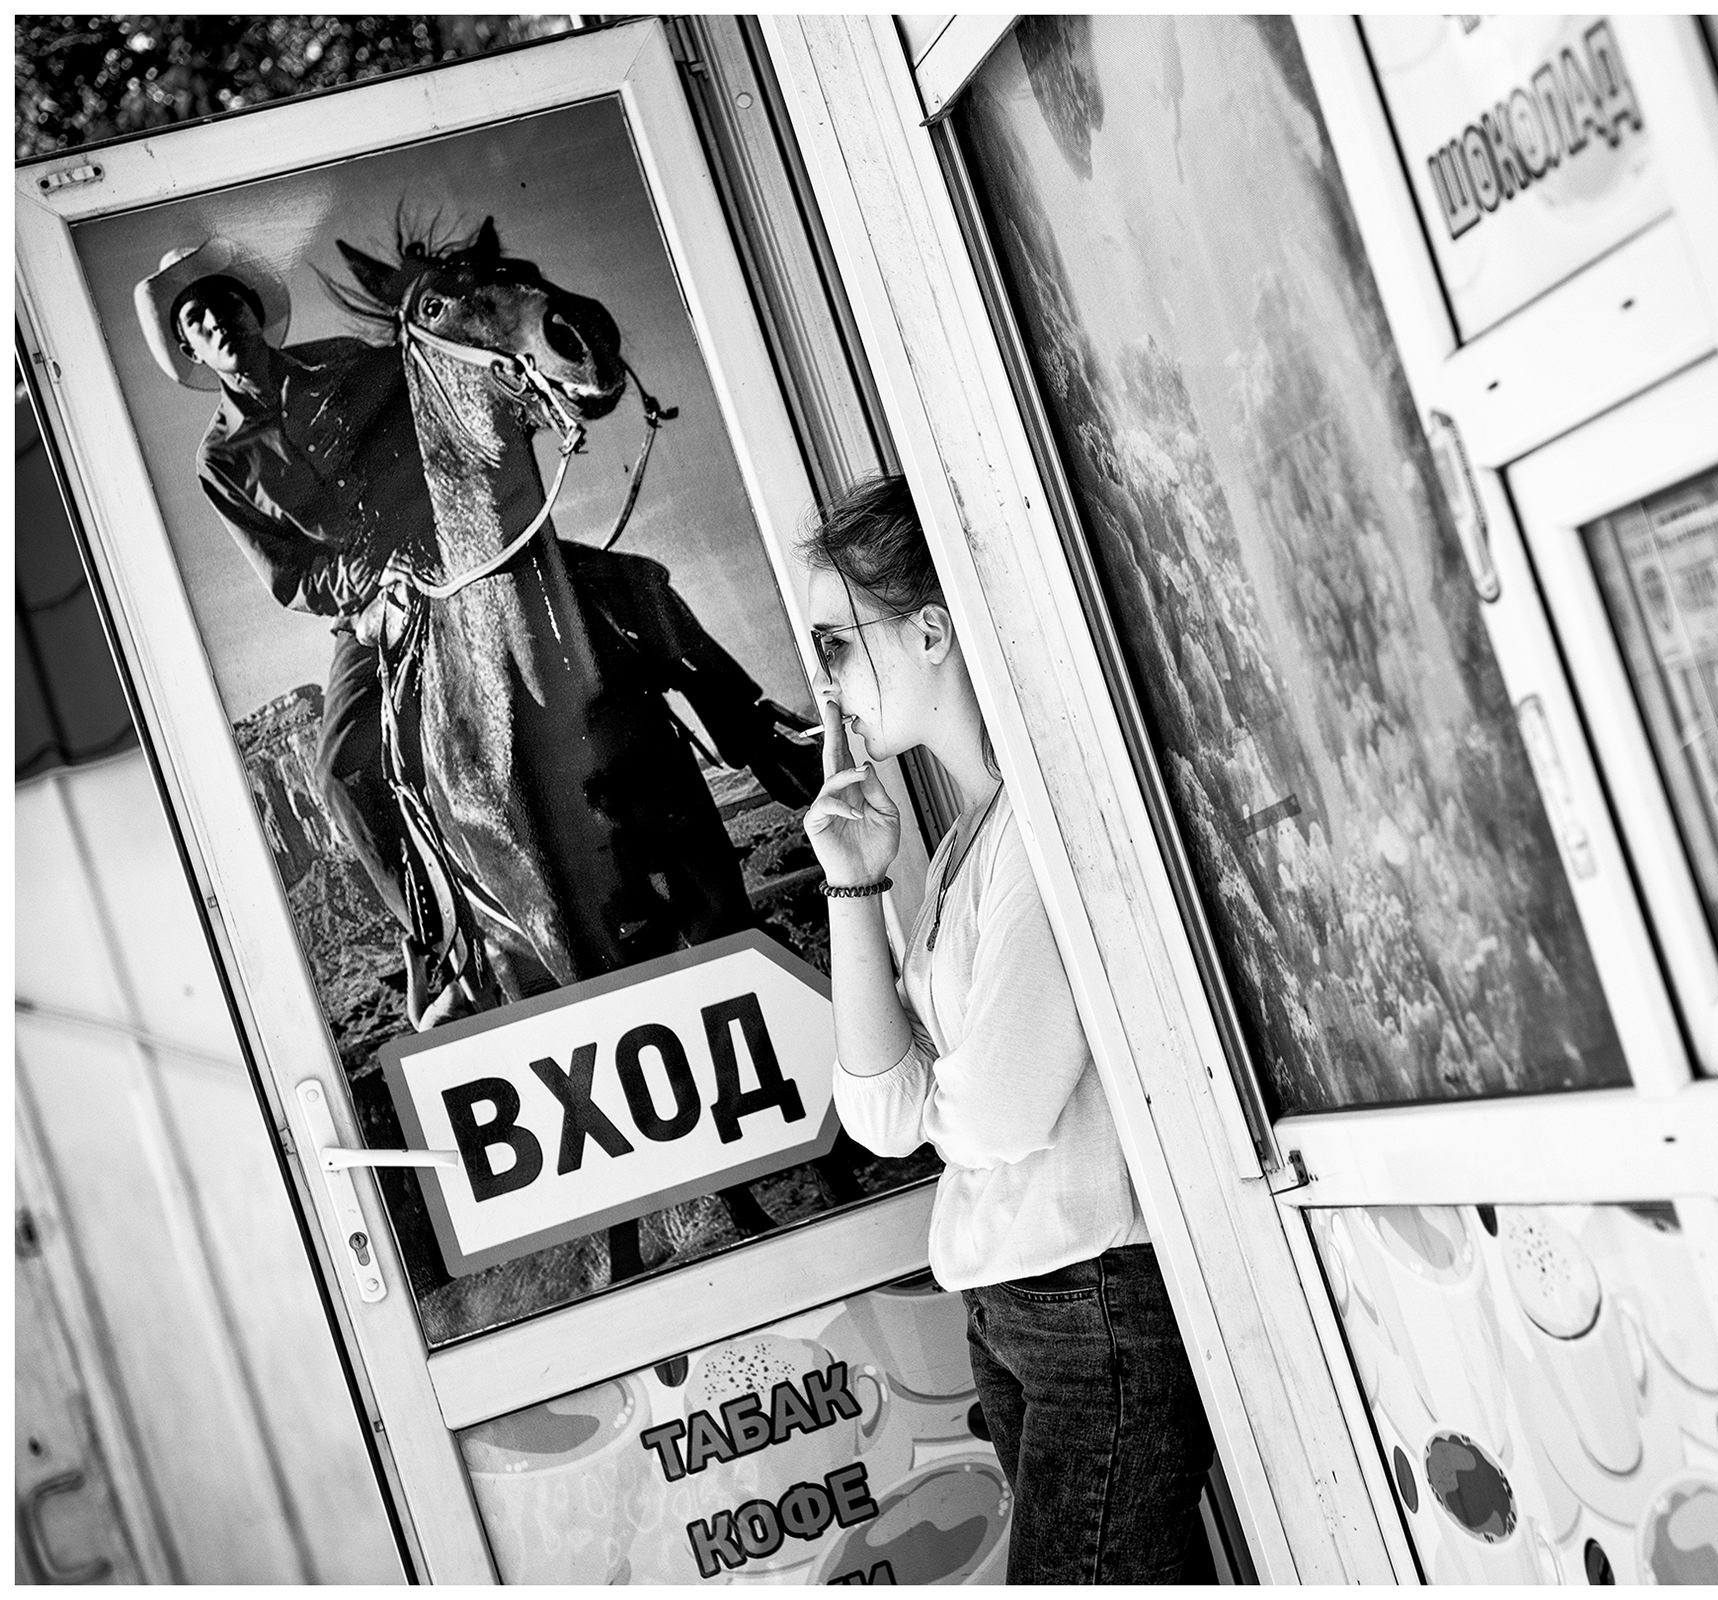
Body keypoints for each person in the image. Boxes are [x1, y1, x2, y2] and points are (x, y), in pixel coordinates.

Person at [133, 237, 819, 1027]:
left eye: (224, 301)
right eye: (195, 319)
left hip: (467, 545)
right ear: (191, 349)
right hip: (375, 604)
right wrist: (368, 588)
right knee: (340, 769)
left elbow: (450, 396)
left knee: (637, 584)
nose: (216, 320)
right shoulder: (221, 459)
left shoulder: (352, 363)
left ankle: (760, 730)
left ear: (253, 311)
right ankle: (440, 942)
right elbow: (289, 573)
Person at [800, 473, 1217, 1584]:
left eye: (838, 643)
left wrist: (949, 1093)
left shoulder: (1038, 825)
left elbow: (996, 1110)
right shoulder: (963, 846)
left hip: (1093, 1301)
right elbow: (885, 1116)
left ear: (932, 631)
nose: (827, 685)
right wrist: (853, 883)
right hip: (1015, 1308)